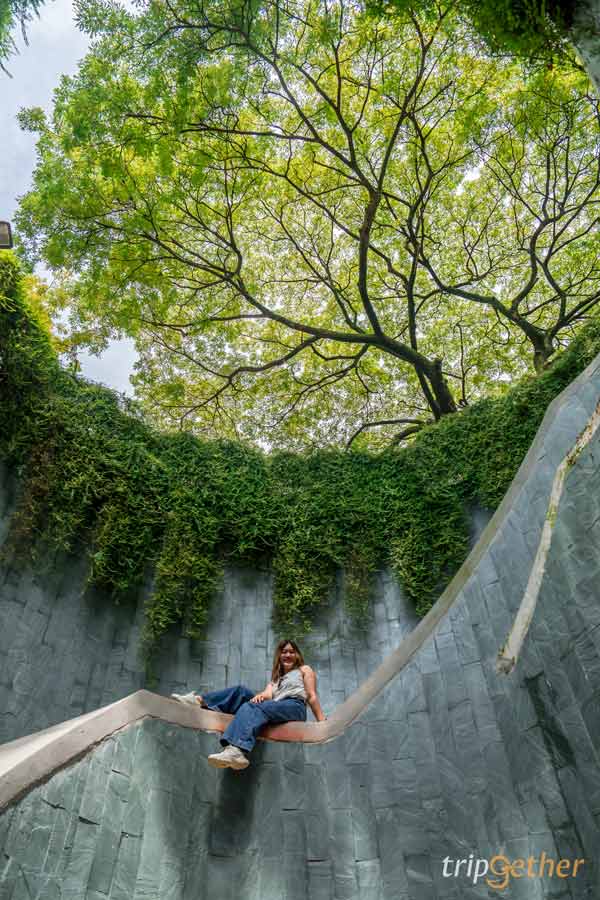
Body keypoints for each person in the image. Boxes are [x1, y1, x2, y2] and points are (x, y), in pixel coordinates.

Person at [171, 638, 326, 770]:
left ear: (297, 655)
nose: (288, 654)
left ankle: (236, 750)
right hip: (276, 707)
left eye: (292, 651)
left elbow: (311, 696)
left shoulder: (304, 670)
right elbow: (266, 694)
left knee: (253, 707)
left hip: (294, 707)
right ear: (279, 656)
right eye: (284, 652)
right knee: (242, 692)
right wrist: (258, 697)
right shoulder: (276, 678)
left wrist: (322, 723)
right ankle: (198, 702)